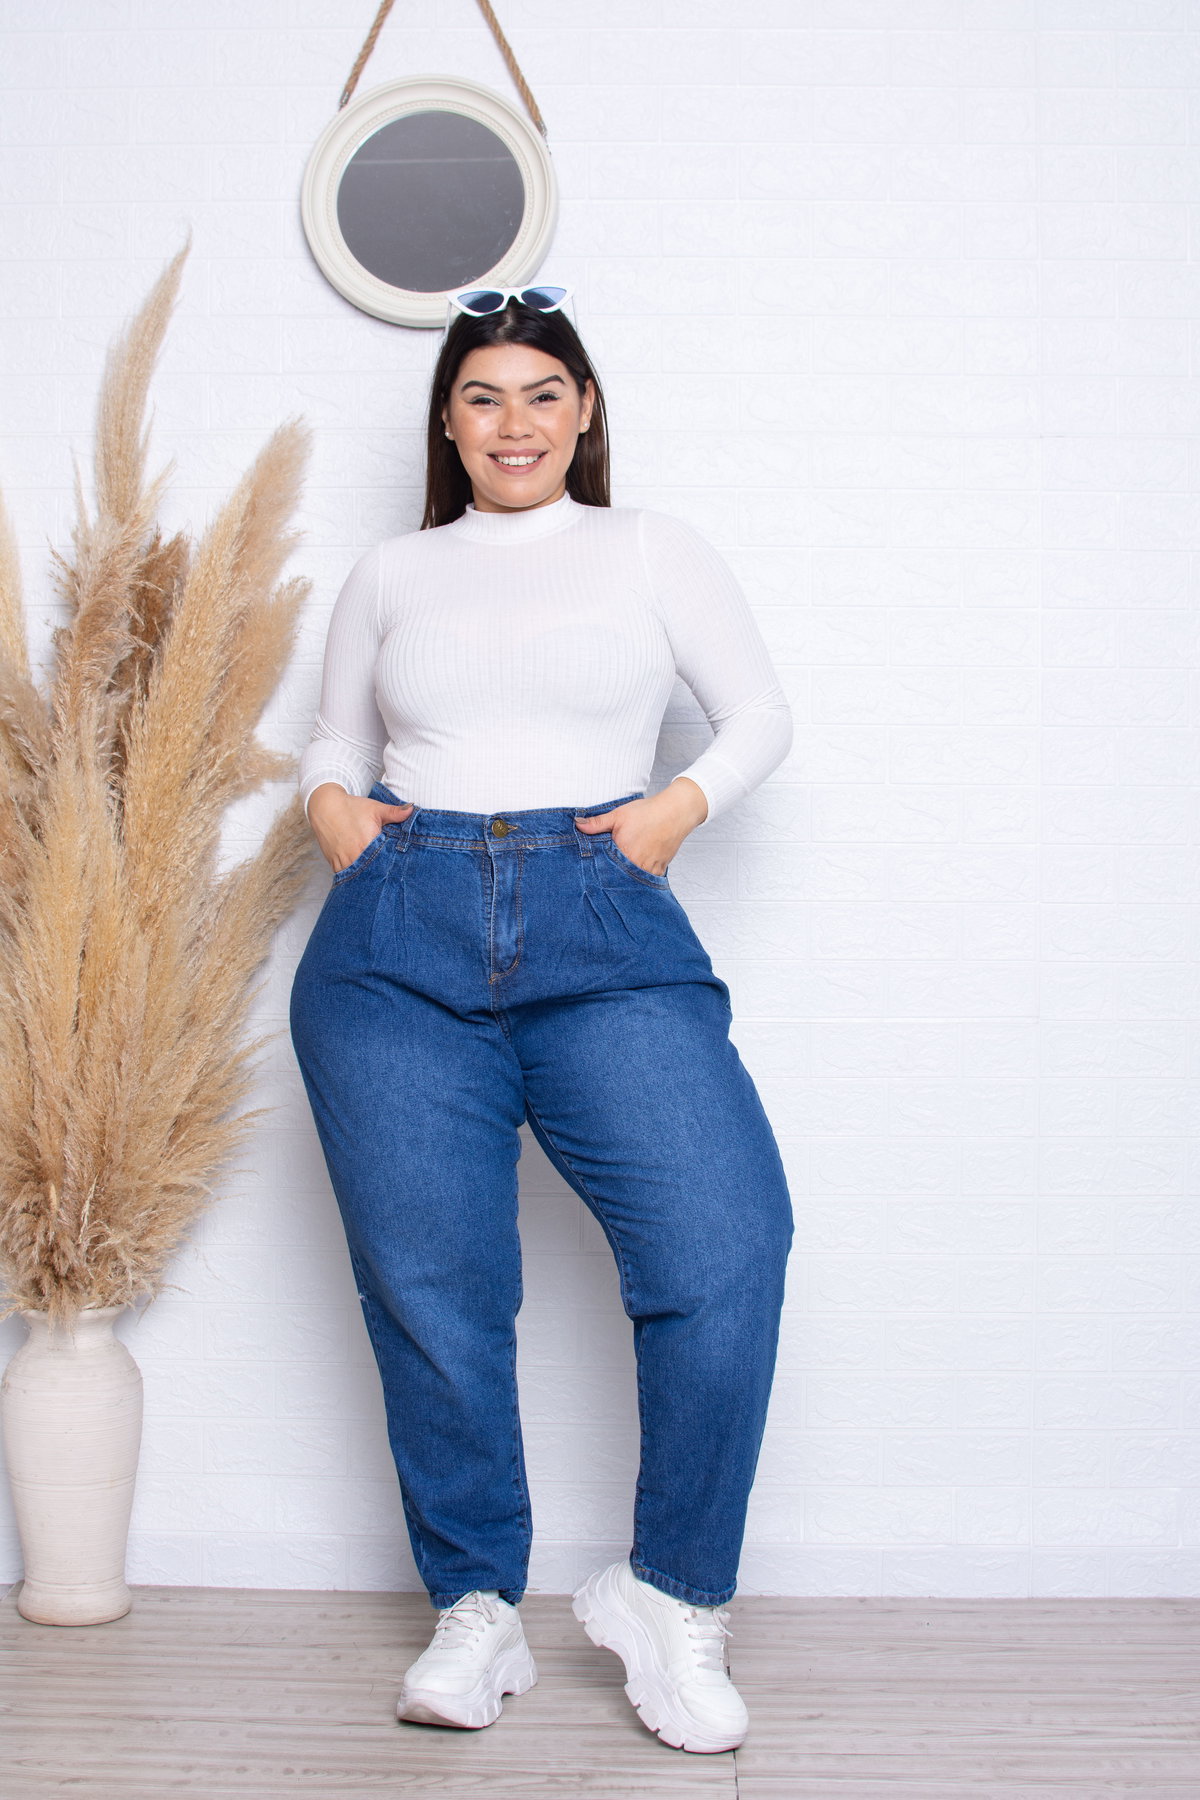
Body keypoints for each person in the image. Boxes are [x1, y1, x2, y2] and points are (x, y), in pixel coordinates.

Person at [288, 285, 795, 1757]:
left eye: (542, 394)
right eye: (484, 397)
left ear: (584, 413)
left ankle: (672, 1596)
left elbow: (760, 715)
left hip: (602, 924)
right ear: (448, 423)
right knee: (434, 1291)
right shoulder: (393, 570)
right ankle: (477, 1607)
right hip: (396, 940)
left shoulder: (649, 548)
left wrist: (672, 812)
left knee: (724, 1248)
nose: (515, 423)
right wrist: (333, 813)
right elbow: (338, 736)